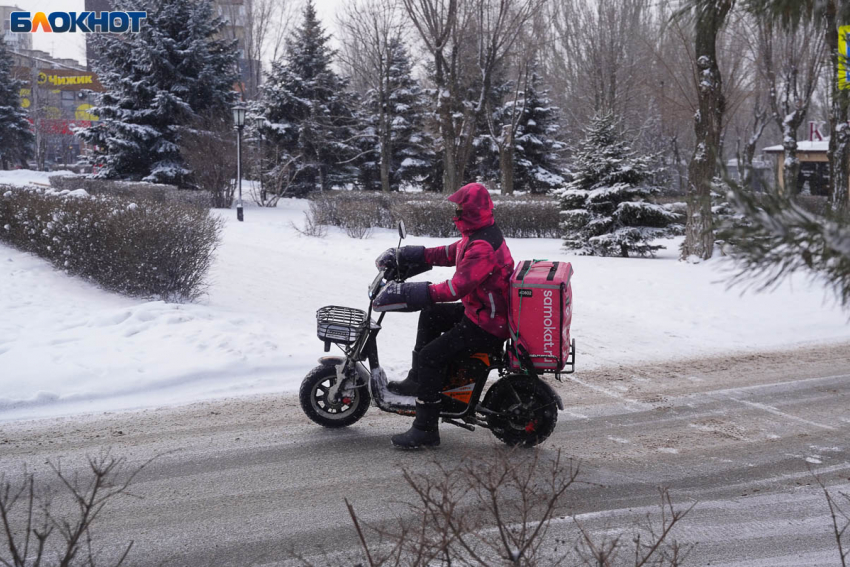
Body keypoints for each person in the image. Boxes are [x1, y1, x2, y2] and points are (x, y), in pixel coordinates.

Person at [372, 182, 515, 449]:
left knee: (431, 356)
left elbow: (456, 288)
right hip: (481, 312)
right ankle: (417, 381)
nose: (455, 213)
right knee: (431, 313)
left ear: (471, 211)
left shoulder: (483, 246)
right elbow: (451, 253)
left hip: (487, 325)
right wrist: (409, 254)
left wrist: (412, 292)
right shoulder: (478, 235)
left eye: (459, 208)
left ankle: (426, 429)